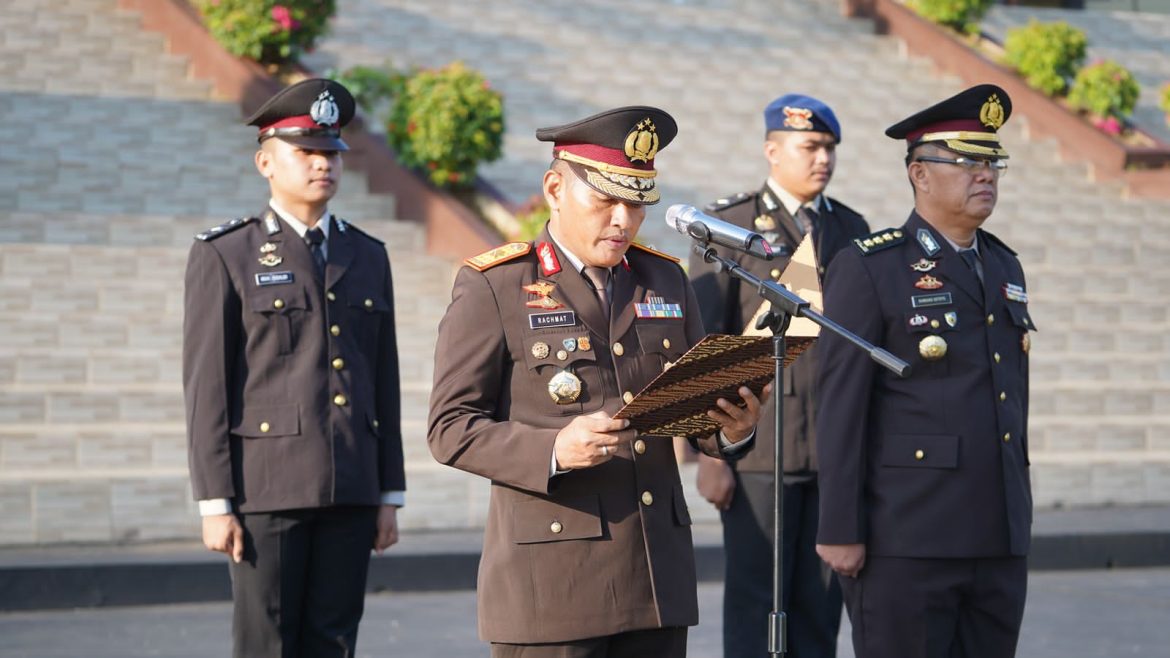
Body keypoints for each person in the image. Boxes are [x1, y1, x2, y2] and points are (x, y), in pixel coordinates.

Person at [427, 106, 768, 658]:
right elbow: (450, 428)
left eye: (636, 203)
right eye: (605, 200)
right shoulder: (496, 284)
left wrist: (733, 427)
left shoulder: (665, 278)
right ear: (555, 188)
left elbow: (696, 414)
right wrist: (554, 449)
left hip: (655, 578)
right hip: (554, 587)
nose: (623, 220)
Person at [182, 78, 405, 658]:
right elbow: (209, 389)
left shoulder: (367, 254)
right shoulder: (226, 254)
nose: (321, 164)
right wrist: (216, 502)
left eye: (330, 153)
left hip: (352, 486)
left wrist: (389, 491)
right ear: (265, 162)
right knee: (267, 644)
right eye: (305, 152)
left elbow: (383, 379)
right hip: (267, 488)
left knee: (335, 642)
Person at [815, 84, 1034, 658]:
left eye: (991, 163)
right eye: (965, 161)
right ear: (919, 174)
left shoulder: (1005, 264)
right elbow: (840, 404)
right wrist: (839, 525)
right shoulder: (871, 267)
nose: (984, 174)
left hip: (996, 534)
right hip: (907, 537)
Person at [688, 94, 869, 657]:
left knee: (820, 611)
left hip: (831, 452)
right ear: (773, 150)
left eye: (830, 149)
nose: (823, 159)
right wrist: (712, 455)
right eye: (810, 147)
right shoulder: (731, 225)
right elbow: (709, 345)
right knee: (756, 605)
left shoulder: (851, 227)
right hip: (757, 453)